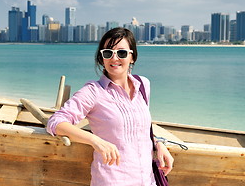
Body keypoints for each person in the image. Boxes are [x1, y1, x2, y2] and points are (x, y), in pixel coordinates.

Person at [46, 27, 174, 186]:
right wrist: (95, 140)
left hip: (148, 181)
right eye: (108, 53)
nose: (114, 58)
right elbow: (55, 122)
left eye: (121, 53)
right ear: (102, 58)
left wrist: (158, 143)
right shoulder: (93, 92)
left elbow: (139, 127)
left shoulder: (143, 84)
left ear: (132, 57)